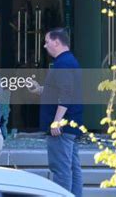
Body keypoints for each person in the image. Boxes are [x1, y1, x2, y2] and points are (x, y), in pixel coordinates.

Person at [29, 28, 83, 196]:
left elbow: (66, 93)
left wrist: (56, 121)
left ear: (57, 42)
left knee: (61, 169)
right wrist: (39, 90)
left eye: (47, 42)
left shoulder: (63, 63)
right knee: (72, 168)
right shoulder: (70, 61)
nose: (45, 46)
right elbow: (61, 90)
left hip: (61, 128)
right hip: (71, 125)